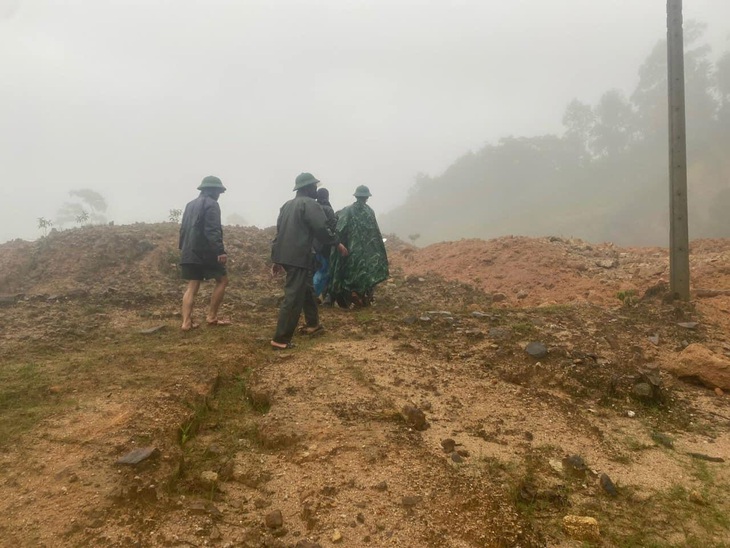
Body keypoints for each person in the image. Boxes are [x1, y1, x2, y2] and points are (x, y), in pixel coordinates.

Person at [270, 172, 348, 350]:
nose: (316, 189)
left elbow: (279, 233)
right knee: (293, 298)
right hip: (298, 257)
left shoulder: (286, 206)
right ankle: (280, 339)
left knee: (307, 291)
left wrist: (276, 259)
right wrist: (337, 243)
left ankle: (313, 324)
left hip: (288, 256)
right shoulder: (310, 204)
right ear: (306, 188)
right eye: (313, 186)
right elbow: (321, 228)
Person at [178, 175, 230, 331]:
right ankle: (212, 317)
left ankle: (186, 323)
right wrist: (220, 251)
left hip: (189, 251)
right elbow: (212, 230)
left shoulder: (190, 205)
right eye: (218, 191)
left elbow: (184, 229)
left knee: (192, 284)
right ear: (212, 190)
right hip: (206, 252)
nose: (219, 195)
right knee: (222, 280)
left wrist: (183, 248)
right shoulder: (212, 204)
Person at [328, 185, 389, 308]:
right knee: (367, 274)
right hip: (369, 252)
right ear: (367, 197)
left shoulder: (348, 210)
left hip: (353, 250)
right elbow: (375, 232)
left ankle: (353, 293)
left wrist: (337, 243)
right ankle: (363, 296)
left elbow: (340, 228)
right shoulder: (370, 211)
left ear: (356, 196)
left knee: (351, 274)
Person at [313, 187, 337, 301]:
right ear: (327, 197)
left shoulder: (313, 208)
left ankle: (314, 294)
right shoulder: (328, 210)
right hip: (325, 247)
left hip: (312, 246)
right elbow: (333, 227)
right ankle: (319, 295)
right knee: (325, 271)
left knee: (315, 270)